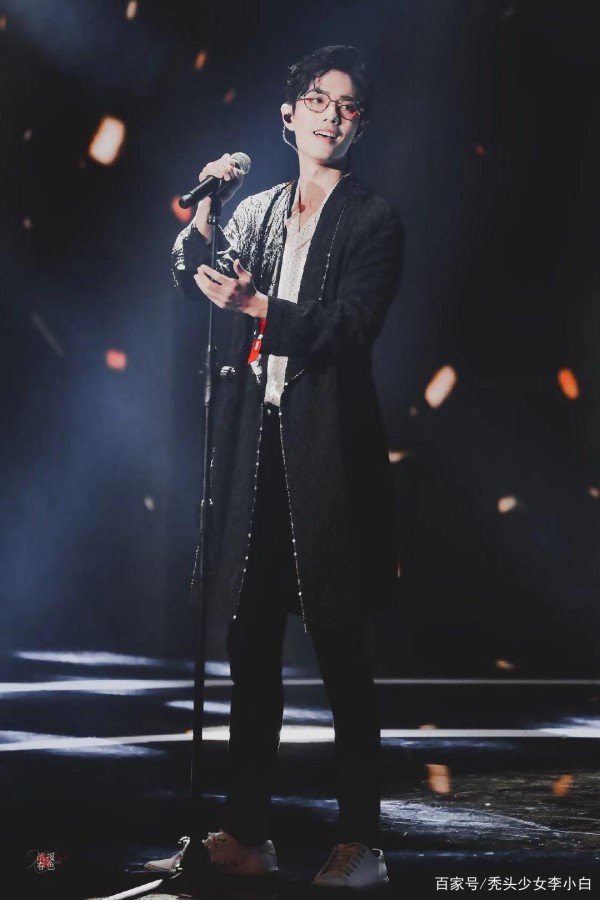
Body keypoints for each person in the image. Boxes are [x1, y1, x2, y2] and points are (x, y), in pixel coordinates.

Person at [147, 44, 404, 889]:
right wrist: (204, 222)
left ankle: (361, 841)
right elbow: (194, 273)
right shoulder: (255, 209)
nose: (333, 116)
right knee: (249, 645)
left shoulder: (373, 219)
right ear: (288, 114)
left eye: (349, 106)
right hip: (253, 450)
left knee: (339, 650)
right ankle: (248, 833)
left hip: (326, 456)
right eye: (319, 100)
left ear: (360, 124)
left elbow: (351, 326)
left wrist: (259, 305)